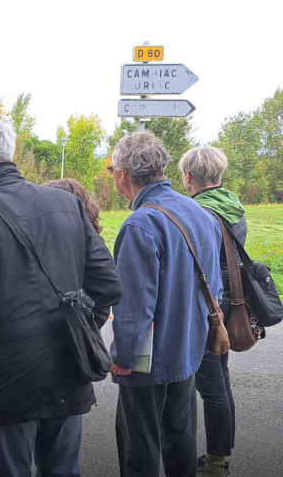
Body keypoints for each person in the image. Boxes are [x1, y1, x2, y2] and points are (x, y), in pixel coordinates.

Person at [0, 119, 122, 477]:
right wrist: (81, 329)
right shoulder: (67, 204)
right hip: (69, 366)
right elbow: (107, 284)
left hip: (5, 377)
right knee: (63, 470)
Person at [108, 132, 223, 477]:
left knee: (140, 447)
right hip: (188, 350)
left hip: (148, 361)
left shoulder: (141, 223)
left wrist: (124, 357)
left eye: (111, 168)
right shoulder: (199, 212)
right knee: (181, 438)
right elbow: (214, 286)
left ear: (123, 173)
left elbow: (134, 306)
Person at [179, 146, 247, 476]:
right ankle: (222, 454)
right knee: (221, 379)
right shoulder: (233, 205)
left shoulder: (198, 212)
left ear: (189, 177)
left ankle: (217, 462)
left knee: (211, 386)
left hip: (209, 305)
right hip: (230, 301)